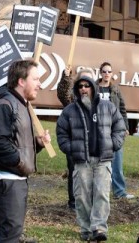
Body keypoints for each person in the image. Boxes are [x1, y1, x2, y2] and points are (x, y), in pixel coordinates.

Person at [0, 60, 50, 243]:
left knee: (4, 231)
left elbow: (16, 142)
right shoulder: (6, 104)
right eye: (36, 79)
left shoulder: (20, 104)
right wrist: (20, 161)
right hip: (6, 181)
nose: (40, 84)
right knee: (11, 233)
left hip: (11, 179)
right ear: (21, 81)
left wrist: (38, 143)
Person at [56, 75, 126, 242]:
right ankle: (86, 229)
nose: (83, 89)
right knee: (82, 197)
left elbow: (120, 127)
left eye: (87, 85)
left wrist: (113, 144)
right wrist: (72, 149)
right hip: (81, 161)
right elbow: (61, 133)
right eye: (80, 86)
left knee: (102, 194)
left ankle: (99, 229)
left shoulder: (108, 107)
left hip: (103, 160)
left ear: (93, 88)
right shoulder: (69, 111)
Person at [56, 66, 94, 210]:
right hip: (75, 144)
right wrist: (66, 78)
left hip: (92, 145)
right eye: (82, 81)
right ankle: (74, 203)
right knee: (74, 173)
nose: (84, 86)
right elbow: (62, 94)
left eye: (88, 81)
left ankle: (90, 202)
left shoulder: (98, 102)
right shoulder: (72, 100)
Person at [98, 61, 134, 199]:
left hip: (114, 130)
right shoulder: (94, 88)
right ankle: (99, 191)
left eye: (109, 71)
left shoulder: (116, 90)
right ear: (100, 73)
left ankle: (119, 192)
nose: (107, 74)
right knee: (98, 162)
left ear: (112, 74)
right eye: (104, 71)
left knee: (117, 162)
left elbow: (122, 109)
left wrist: (125, 126)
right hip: (98, 130)